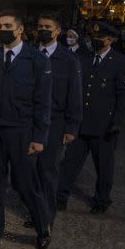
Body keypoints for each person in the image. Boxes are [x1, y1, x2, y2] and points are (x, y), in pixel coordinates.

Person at [0, 10, 52, 249]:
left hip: (22, 131)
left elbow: (43, 102)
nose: (2, 29)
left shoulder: (36, 60)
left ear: (20, 30)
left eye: (8, 25)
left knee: (25, 184)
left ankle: (43, 227)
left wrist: (39, 138)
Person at [57, 21, 125, 214]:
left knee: (104, 167)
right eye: (93, 37)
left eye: (100, 38)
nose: (95, 40)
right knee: (69, 163)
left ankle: (102, 200)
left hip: (104, 125)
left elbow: (123, 97)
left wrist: (116, 123)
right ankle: (60, 197)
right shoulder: (84, 58)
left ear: (110, 40)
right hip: (82, 124)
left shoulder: (120, 63)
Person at [28, 13, 83, 227]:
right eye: (40, 25)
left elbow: (74, 94)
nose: (43, 29)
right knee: (30, 171)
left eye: (47, 26)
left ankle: (46, 218)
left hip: (55, 122)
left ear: (57, 31)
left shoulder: (69, 59)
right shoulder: (30, 54)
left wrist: (72, 126)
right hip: (32, 121)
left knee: (48, 172)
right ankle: (35, 212)